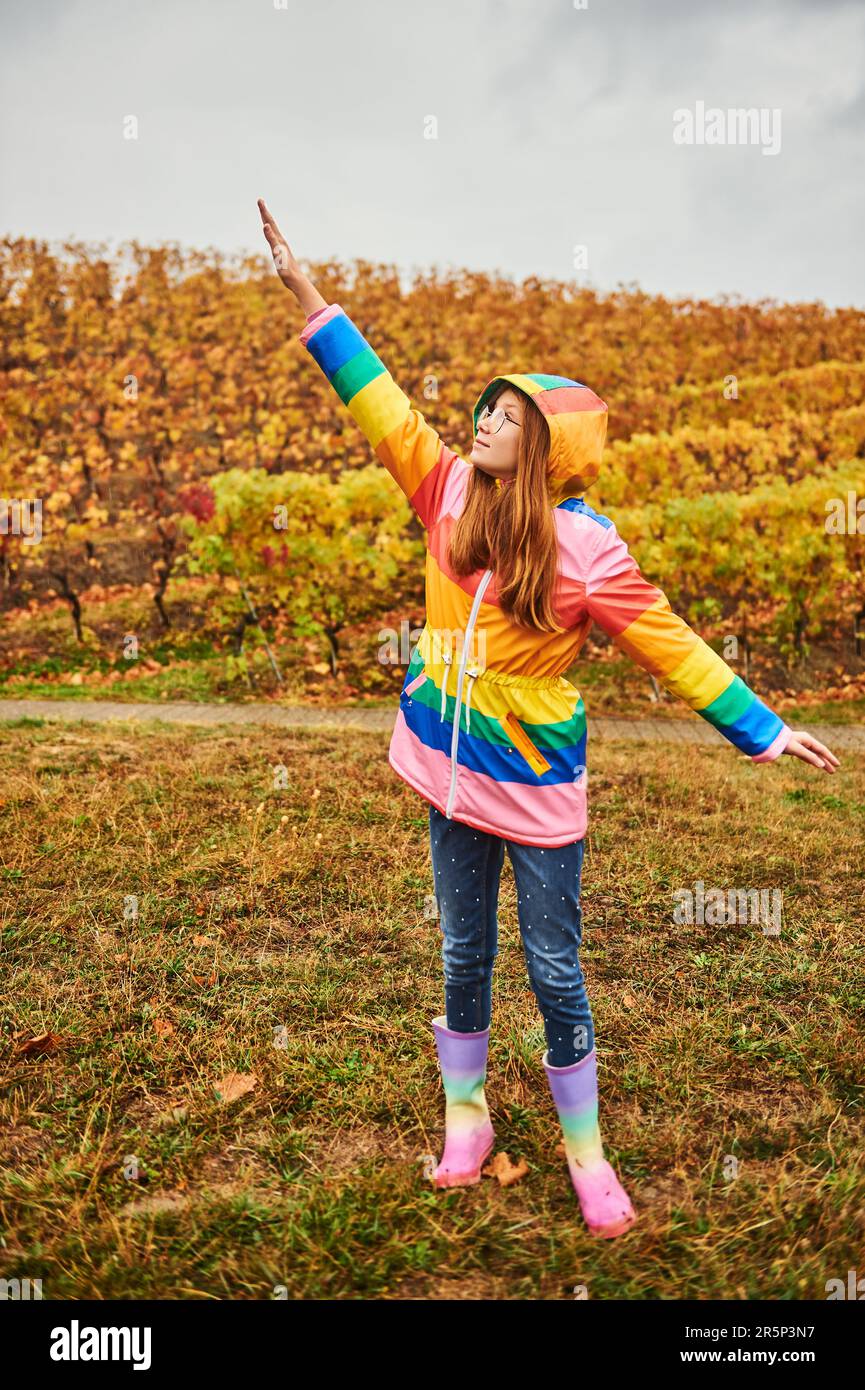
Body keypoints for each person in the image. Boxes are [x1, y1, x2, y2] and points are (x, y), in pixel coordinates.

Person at [257, 198, 840, 1240]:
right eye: (485, 408)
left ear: (546, 448)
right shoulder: (443, 494)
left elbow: (666, 638)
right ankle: (466, 1119)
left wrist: (760, 726)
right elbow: (379, 403)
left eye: (507, 416)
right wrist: (310, 296)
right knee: (462, 954)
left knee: (556, 966)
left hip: (534, 785)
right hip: (444, 772)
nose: (482, 420)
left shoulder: (586, 551)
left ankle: (586, 1152)